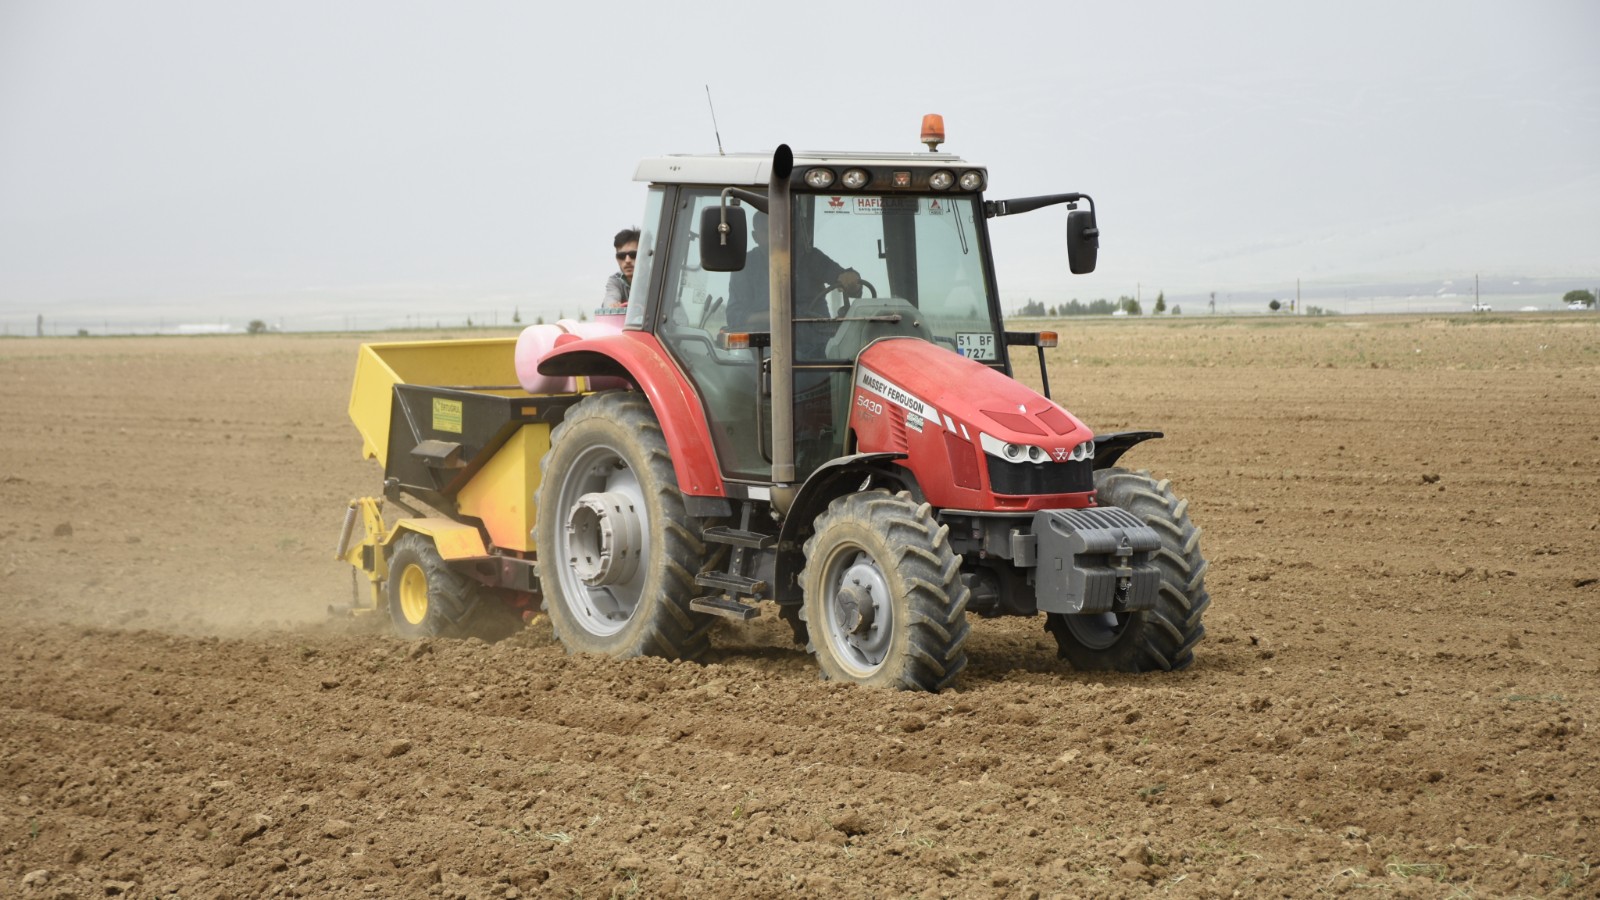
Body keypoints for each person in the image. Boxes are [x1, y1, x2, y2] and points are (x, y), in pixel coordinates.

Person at [728, 212, 860, 337]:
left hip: (818, 339)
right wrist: (774, 316)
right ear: (755, 237)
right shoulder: (745, 266)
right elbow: (734, 316)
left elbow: (846, 280)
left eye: (781, 230)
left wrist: (851, 280)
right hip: (769, 343)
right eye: (768, 231)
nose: (777, 236)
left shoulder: (811, 257)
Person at [604, 227, 639, 307]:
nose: (627, 260)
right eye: (622, 256)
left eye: (633, 255)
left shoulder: (657, 278)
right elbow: (610, 300)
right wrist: (612, 306)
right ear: (617, 258)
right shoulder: (615, 281)